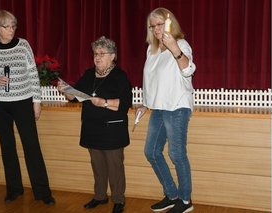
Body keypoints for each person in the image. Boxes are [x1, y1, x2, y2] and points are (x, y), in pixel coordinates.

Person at [0, 10, 55, 205]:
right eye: (7, 27)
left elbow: (32, 75)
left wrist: (37, 102)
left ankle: (43, 192)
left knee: (31, 145)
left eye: (13, 26)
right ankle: (14, 189)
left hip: (22, 101)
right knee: (7, 146)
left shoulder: (23, 45)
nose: (11, 30)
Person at [58, 36, 132, 213]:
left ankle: (118, 200)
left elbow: (125, 104)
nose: (97, 57)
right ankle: (100, 196)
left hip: (112, 129)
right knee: (97, 166)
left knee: (114, 167)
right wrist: (65, 90)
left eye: (101, 54)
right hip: (92, 128)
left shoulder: (120, 76)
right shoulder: (89, 74)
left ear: (112, 56)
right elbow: (75, 96)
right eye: (95, 54)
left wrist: (105, 102)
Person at [136, 7, 196, 213]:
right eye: (152, 26)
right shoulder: (152, 50)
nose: (156, 29)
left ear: (170, 24)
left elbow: (188, 70)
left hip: (177, 105)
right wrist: (145, 102)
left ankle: (186, 200)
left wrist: (174, 49)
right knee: (151, 151)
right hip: (159, 107)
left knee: (177, 153)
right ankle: (172, 195)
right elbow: (150, 80)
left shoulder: (180, 44)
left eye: (160, 24)